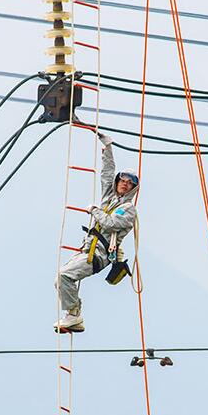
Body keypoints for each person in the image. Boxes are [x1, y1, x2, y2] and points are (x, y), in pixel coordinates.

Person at [54, 131, 139, 332]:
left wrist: (94, 210)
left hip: (100, 255)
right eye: (123, 180)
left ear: (132, 189)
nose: (124, 184)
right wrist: (107, 148)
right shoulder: (109, 198)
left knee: (65, 276)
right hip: (87, 250)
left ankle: (74, 314)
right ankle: (75, 318)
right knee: (59, 278)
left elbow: (109, 224)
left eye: (129, 183)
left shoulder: (128, 209)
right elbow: (107, 173)